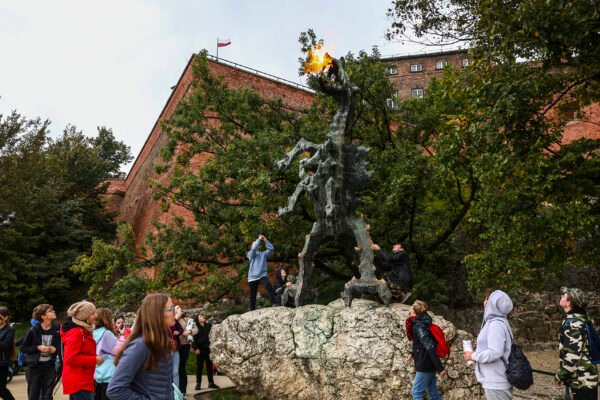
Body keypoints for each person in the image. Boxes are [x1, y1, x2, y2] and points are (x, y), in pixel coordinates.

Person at [107, 293, 176, 400]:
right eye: (171, 308)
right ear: (157, 313)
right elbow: (115, 389)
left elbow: (163, 385)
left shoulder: (161, 342)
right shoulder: (140, 345)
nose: (175, 312)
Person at [464, 289, 514, 400]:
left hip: (496, 380)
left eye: (486, 298)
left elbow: (495, 352)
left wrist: (472, 356)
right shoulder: (499, 322)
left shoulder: (495, 324)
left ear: (491, 302)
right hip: (496, 379)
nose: (484, 301)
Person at [555, 287, 598, 400]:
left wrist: (560, 376)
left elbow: (572, 357)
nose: (561, 297)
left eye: (564, 296)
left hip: (582, 381)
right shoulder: (580, 320)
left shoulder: (573, 324)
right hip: (585, 379)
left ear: (569, 302)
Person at [60, 301, 104, 400]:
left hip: (82, 378)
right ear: (85, 317)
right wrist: (94, 360)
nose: (96, 316)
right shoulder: (77, 333)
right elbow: (70, 358)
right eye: (92, 314)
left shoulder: (83, 331)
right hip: (78, 381)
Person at [406, 300, 446, 400]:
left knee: (416, 392)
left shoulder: (419, 326)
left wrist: (440, 368)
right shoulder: (424, 322)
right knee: (432, 391)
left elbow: (429, 347)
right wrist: (413, 353)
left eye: (411, 307)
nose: (410, 309)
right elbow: (422, 343)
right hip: (428, 362)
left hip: (424, 363)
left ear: (414, 311)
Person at [21, 304, 61, 400]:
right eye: (50, 311)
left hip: (50, 366)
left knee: (47, 395)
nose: (54, 312)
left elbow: (62, 348)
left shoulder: (57, 330)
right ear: (43, 316)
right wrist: (38, 347)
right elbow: (24, 348)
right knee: (33, 395)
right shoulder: (33, 330)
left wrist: (56, 350)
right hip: (35, 367)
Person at [93, 308, 121, 400]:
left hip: (98, 374)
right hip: (109, 374)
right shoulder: (107, 333)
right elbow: (119, 350)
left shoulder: (93, 333)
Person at [247, 234, 276, 310]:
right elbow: (253, 249)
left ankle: (274, 303)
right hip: (252, 277)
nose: (257, 244)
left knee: (268, 286)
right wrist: (258, 240)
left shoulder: (263, 254)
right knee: (253, 294)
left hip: (262, 275)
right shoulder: (250, 254)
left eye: (257, 243)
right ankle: (252, 310)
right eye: (255, 243)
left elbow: (271, 249)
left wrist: (265, 240)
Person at [191, 313, 219, 391]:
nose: (203, 316)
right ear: (197, 319)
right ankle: (198, 384)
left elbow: (213, 336)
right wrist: (195, 348)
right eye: (200, 316)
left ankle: (211, 383)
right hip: (199, 350)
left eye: (203, 315)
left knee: (210, 367)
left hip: (208, 349)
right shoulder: (196, 328)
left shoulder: (208, 326)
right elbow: (193, 339)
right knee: (199, 368)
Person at [175, 306, 196, 397]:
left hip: (185, 345)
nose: (179, 309)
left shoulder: (187, 320)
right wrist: (180, 332)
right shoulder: (171, 319)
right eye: (176, 307)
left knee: (182, 368)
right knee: (175, 369)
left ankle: (183, 391)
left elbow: (196, 329)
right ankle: (175, 391)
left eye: (180, 307)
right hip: (174, 346)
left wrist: (190, 332)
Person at [0, 306, 16, 400]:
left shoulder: (10, 330)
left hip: (2, 363)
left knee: (1, 390)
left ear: (6, 318)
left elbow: (6, 346)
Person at [169, 309, 184, 391]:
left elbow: (181, 330)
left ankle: (176, 393)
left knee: (175, 372)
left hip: (175, 348)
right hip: (165, 349)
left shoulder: (174, 320)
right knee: (168, 372)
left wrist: (178, 332)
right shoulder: (160, 321)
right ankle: (169, 391)